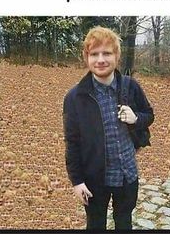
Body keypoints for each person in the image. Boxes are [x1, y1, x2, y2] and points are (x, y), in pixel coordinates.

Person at [63, 26, 154, 230]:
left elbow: (149, 115)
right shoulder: (74, 98)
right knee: (95, 225)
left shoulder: (131, 86)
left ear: (117, 56)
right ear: (86, 58)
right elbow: (72, 143)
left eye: (107, 53)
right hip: (95, 178)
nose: (101, 59)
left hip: (127, 174)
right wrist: (77, 182)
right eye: (94, 54)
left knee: (124, 221)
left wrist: (136, 118)